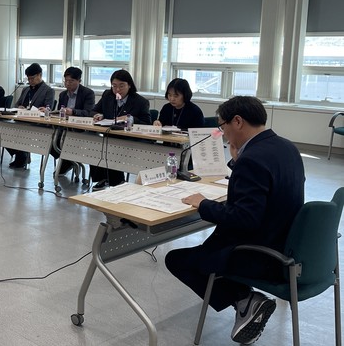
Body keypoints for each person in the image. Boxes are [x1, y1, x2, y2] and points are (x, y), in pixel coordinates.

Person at [165, 96, 305, 345]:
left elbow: (244, 219)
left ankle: (245, 300)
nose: (223, 134)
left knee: (177, 259)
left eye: (223, 126)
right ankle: (245, 300)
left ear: (237, 121)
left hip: (260, 255)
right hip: (286, 245)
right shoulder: (286, 147)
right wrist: (238, 161)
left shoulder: (252, 159)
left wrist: (204, 204)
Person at [90, 69, 151, 188]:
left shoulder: (140, 101)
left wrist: (130, 119)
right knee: (95, 145)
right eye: (114, 86)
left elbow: (147, 123)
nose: (117, 89)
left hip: (129, 140)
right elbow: (94, 110)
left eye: (121, 86)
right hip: (110, 135)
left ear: (129, 85)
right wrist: (99, 115)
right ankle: (104, 178)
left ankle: (116, 182)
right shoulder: (108, 96)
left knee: (113, 147)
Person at [7, 63, 55, 169]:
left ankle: (22, 156)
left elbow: (48, 108)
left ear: (40, 75)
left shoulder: (48, 90)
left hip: (37, 123)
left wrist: (43, 110)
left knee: (21, 131)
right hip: (22, 120)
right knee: (5, 130)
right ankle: (21, 154)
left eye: (32, 78)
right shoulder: (26, 89)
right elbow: (17, 104)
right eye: (28, 79)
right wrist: (19, 107)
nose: (30, 81)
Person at [55, 67, 95, 174]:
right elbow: (59, 112)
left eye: (71, 81)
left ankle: (68, 162)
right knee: (51, 140)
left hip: (80, 129)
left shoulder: (88, 93)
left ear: (79, 81)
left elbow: (89, 112)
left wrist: (73, 112)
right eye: (66, 81)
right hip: (64, 127)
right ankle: (68, 161)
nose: (68, 83)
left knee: (67, 140)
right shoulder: (63, 94)